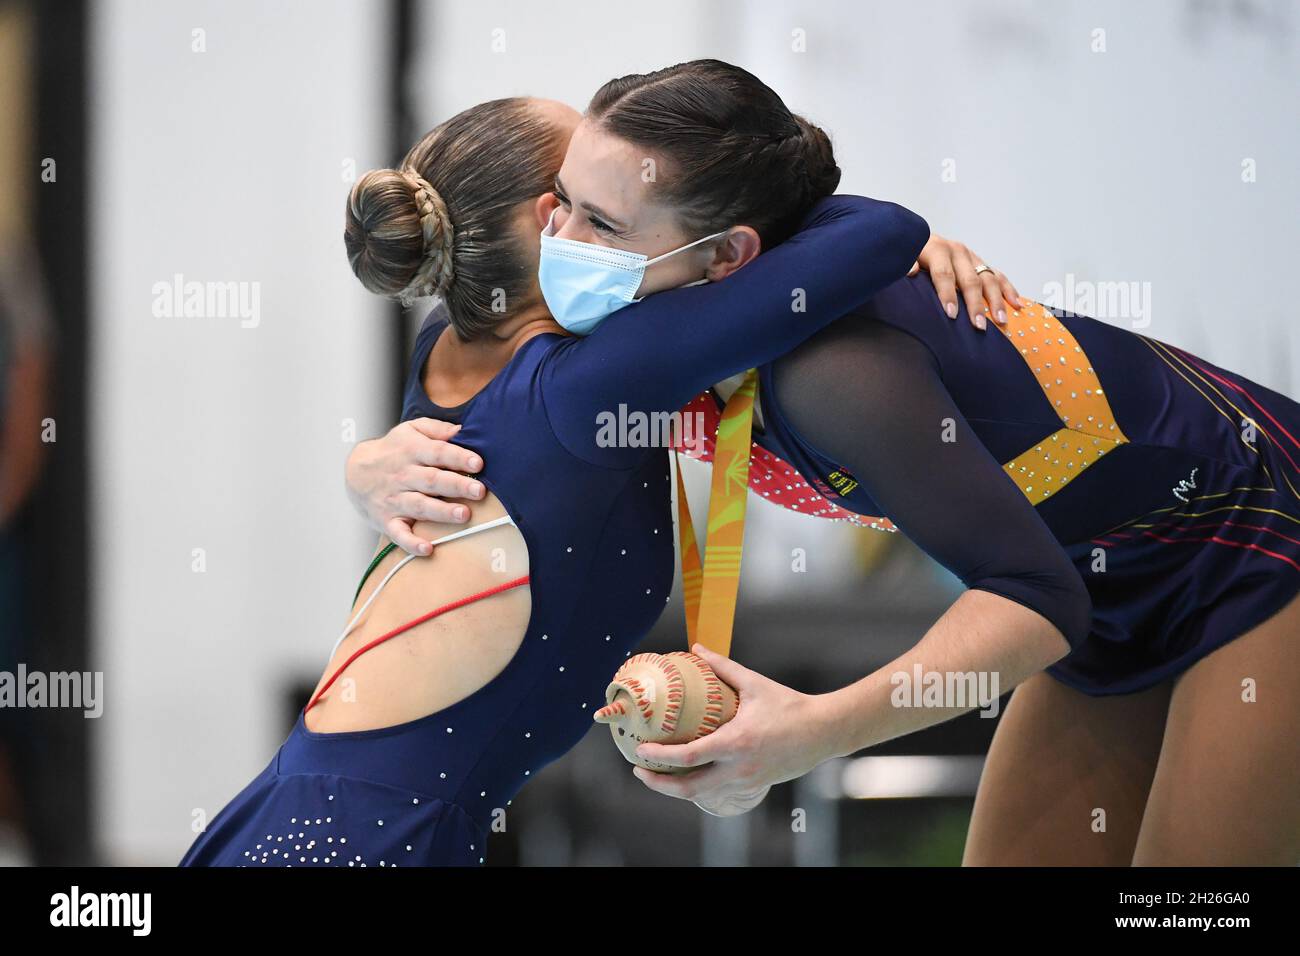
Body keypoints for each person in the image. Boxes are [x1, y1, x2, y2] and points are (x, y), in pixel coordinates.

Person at [353, 60, 1300, 865]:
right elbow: (465, 373)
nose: (562, 242)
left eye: (602, 224)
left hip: (1253, 537)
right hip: (1111, 598)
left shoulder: (833, 373)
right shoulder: (640, 335)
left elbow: (1036, 599)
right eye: (561, 204)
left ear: (727, 256)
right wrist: (372, 464)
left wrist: (816, 729)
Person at [179, 73, 931, 866]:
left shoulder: (444, 346)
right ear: (547, 219)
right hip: (373, 839)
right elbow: (883, 232)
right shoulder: (593, 380)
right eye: (582, 191)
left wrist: (358, 464)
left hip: (301, 808)